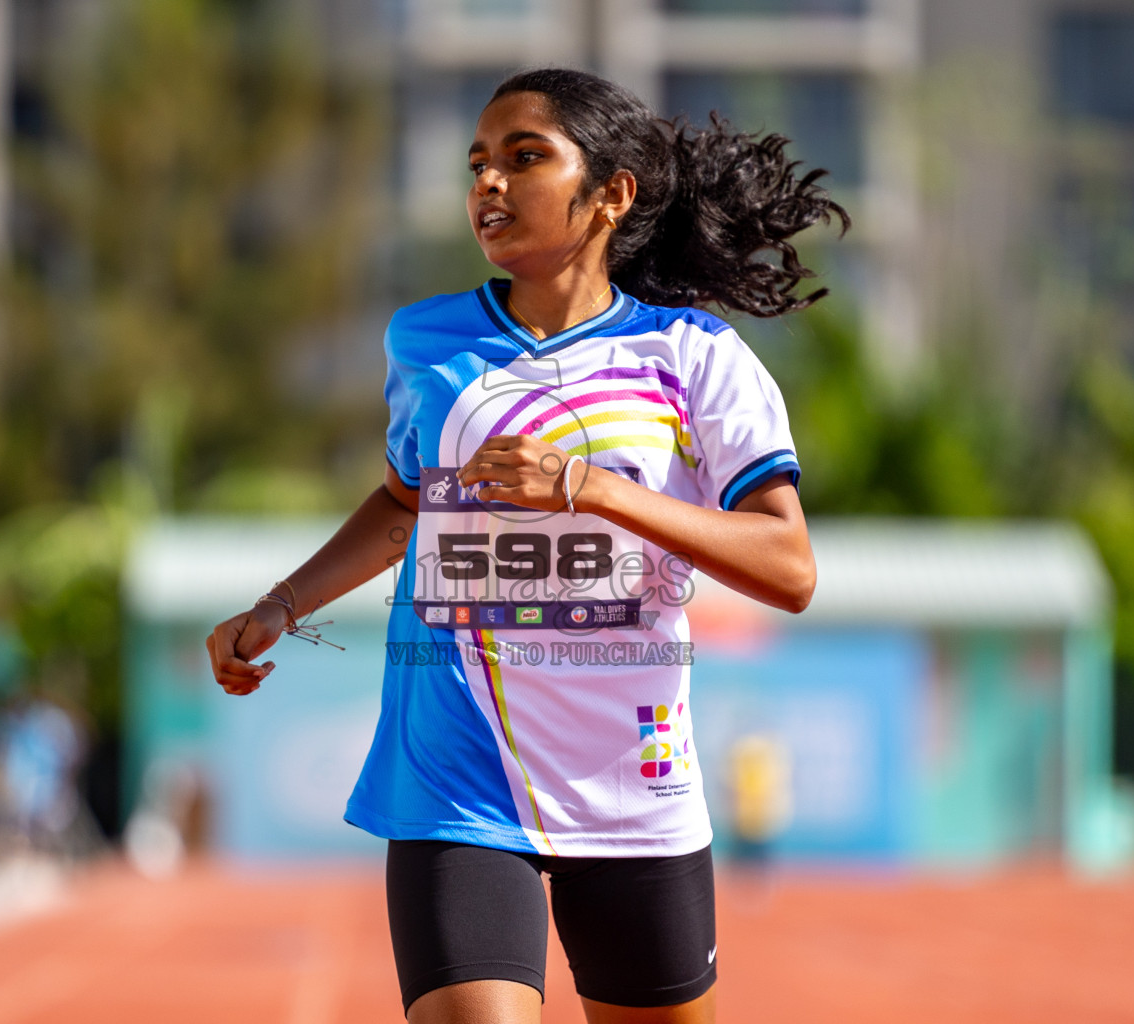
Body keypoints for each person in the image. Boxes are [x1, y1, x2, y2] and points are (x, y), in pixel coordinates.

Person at [207, 67, 846, 1024]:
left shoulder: (696, 358)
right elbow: (402, 504)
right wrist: (281, 605)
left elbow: (788, 568)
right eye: (478, 163)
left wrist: (589, 488)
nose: (488, 184)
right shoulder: (425, 342)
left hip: (634, 785)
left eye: (524, 157)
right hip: (457, 776)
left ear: (611, 193)